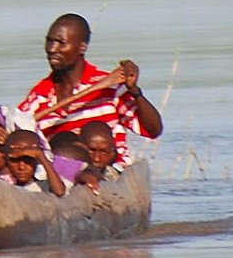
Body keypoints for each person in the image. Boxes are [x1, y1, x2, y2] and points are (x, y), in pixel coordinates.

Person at [17, 13, 163, 167]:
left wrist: (134, 91)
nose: (52, 49)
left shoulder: (110, 89)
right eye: (49, 41)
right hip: (64, 178)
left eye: (61, 43)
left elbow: (153, 130)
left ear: (82, 47)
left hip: (111, 177)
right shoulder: (39, 97)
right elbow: (14, 135)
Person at [3, 129, 66, 196]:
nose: (21, 167)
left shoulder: (42, 187)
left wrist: (41, 156)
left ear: (36, 161)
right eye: (14, 161)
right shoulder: (1, 186)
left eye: (28, 161)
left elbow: (59, 192)